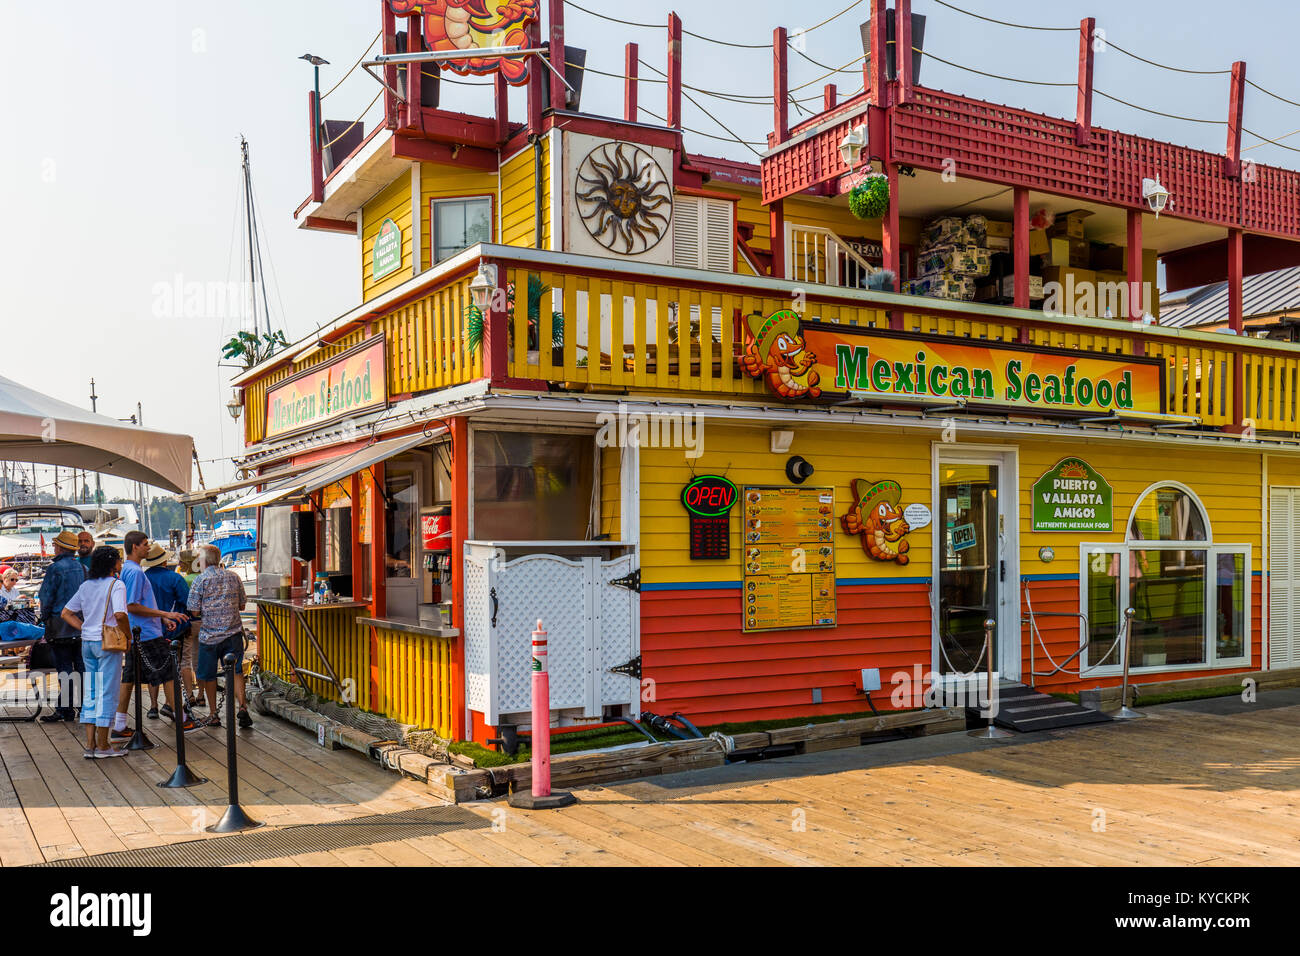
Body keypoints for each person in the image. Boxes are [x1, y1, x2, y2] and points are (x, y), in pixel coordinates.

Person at [113, 532, 196, 738]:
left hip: (138, 632)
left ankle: (119, 724)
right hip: (147, 634)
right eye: (144, 545)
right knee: (169, 674)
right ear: (134, 547)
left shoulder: (129, 571)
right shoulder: (136, 573)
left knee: (129, 678)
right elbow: (131, 605)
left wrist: (161, 619)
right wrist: (164, 614)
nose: (147, 548)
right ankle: (181, 719)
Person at [60, 546, 130, 758]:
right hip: (107, 643)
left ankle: (90, 745)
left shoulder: (86, 585)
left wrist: (85, 627)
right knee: (107, 692)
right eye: (119, 560)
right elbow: (119, 615)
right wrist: (128, 636)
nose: (121, 563)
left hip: (87, 642)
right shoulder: (116, 585)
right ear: (113, 564)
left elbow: (66, 613)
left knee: (91, 691)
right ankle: (103, 745)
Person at [187, 544, 252, 728]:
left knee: (208, 675)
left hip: (209, 636)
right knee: (237, 671)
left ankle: (214, 714)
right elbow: (242, 605)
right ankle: (243, 707)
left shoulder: (200, 580)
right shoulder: (234, 577)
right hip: (233, 634)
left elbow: (193, 610)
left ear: (204, 560)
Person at [36, 530, 86, 722]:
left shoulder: (55, 569)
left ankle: (65, 709)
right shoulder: (82, 568)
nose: (53, 547)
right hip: (79, 624)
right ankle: (83, 707)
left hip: (59, 625)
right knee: (81, 667)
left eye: (55, 544)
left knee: (64, 668)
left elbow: (46, 597)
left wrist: (44, 618)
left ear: (61, 547)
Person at [142, 544, 198, 716]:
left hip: (150, 628)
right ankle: (169, 704)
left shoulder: (143, 578)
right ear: (164, 561)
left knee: (153, 667)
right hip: (175, 628)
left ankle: (152, 706)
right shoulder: (174, 578)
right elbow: (188, 602)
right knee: (174, 667)